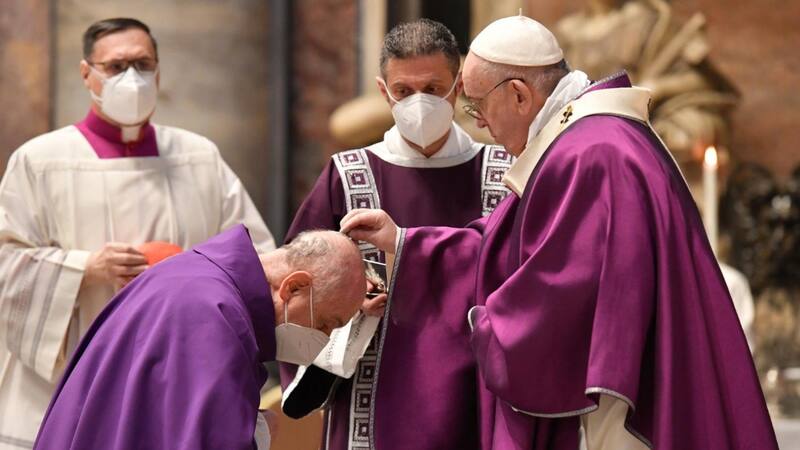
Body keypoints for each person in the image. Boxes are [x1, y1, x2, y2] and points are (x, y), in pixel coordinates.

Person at [340, 14, 777, 450]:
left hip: (627, 399)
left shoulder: (591, 154)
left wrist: (490, 327)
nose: (479, 123)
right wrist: (405, 243)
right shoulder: (584, 141)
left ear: (518, 95)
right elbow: (513, 249)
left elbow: (557, 292)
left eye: (476, 106)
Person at [0, 18, 275, 448]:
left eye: (143, 64)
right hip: (65, 382)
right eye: (116, 66)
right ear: (86, 73)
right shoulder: (39, 161)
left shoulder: (199, 158)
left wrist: (191, 273)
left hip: (177, 371)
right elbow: (5, 265)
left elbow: (257, 259)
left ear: (160, 71)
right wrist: (85, 268)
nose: (132, 77)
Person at [279, 19, 513, 450]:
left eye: (432, 87)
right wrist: (348, 304)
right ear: (383, 91)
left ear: (458, 86)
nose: (418, 103)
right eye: (404, 91)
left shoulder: (505, 173)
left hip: (480, 393)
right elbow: (295, 288)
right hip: (375, 397)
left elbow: (526, 274)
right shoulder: (348, 175)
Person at [32, 226, 365, 450]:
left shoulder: (195, 276)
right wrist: (258, 435)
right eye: (325, 323)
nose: (321, 339)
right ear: (293, 287)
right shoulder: (216, 318)